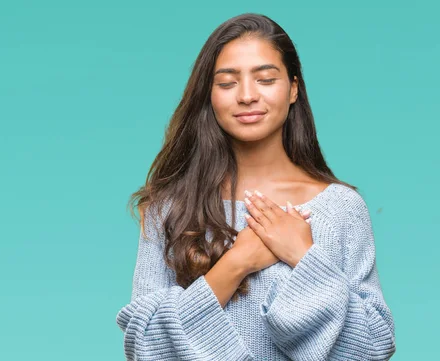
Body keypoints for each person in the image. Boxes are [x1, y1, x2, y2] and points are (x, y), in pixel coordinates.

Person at [115, 13, 396, 361]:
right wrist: (237, 264)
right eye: (227, 83)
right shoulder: (170, 208)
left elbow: (374, 345)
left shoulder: (341, 207)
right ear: (209, 95)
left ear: (293, 88)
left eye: (265, 79)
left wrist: (304, 258)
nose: (247, 96)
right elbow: (144, 347)